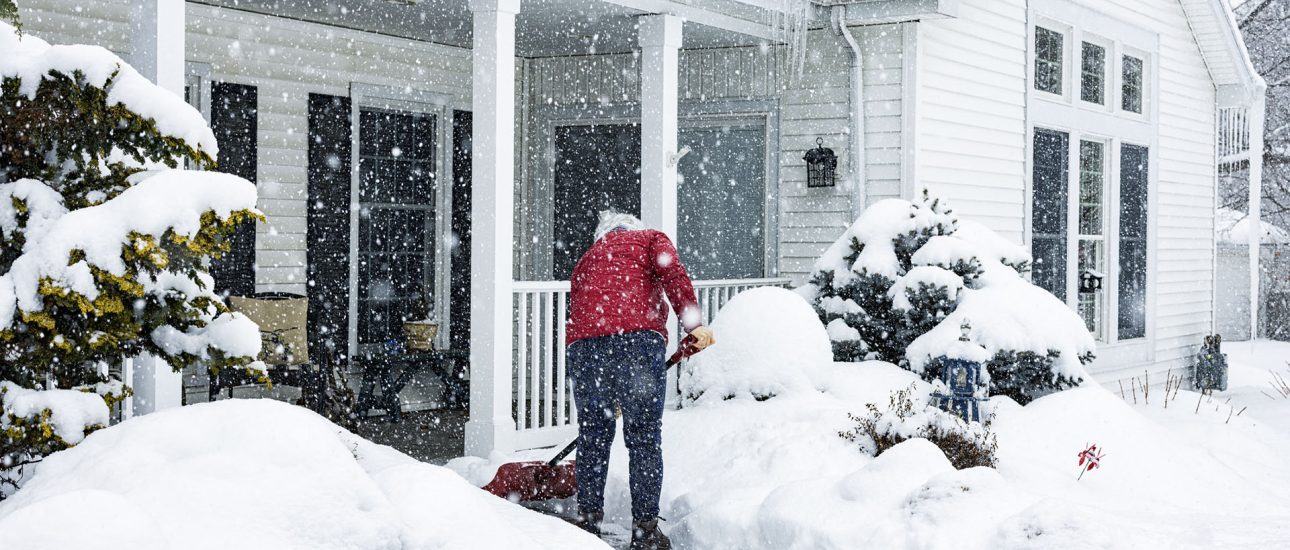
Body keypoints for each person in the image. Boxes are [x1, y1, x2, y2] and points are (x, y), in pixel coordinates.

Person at [565, 211, 715, 550]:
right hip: (637, 343)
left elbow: (582, 312)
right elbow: (674, 276)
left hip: (585, 350)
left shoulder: (587, 258)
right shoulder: (650, 240)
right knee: (644, 437)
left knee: (593, 435)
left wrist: (603, 380)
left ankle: (588, 524)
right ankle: (645, 531)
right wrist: (694, 326)